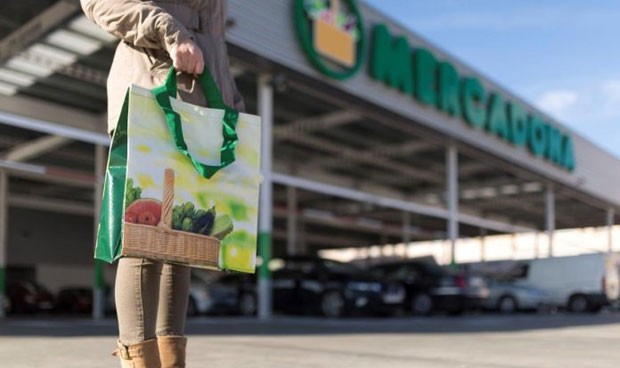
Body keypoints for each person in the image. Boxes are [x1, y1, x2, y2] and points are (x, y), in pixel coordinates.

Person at [80, 1, 245, 367]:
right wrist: (171, 30)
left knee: (182, 247)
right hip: (152, 95)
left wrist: (232, 104)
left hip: (203, 114)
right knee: (145, 239)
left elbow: (215, 44)